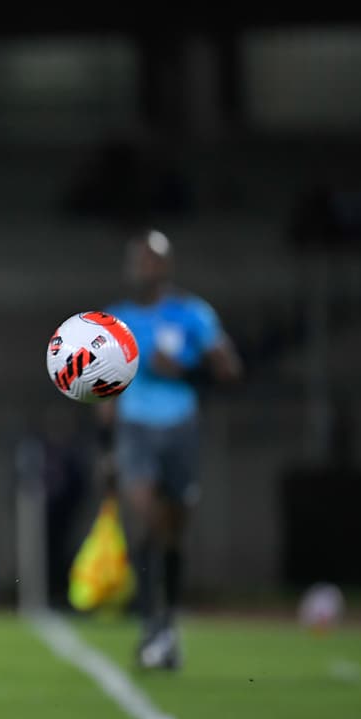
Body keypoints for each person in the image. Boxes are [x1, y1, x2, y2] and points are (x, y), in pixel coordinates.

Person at [97, 229, 243, 669]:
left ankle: (167, 621)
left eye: (152, 259)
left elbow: (230, 368)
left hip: (180, 427)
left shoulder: (191, 314)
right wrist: (104, 440)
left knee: (173, 532)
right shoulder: (113, 323)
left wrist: (185, 369)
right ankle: (151, 625)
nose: (145, 267)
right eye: (138, 259)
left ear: (166, 265)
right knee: (147, 515)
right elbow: (100, 389)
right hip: (135, 429)